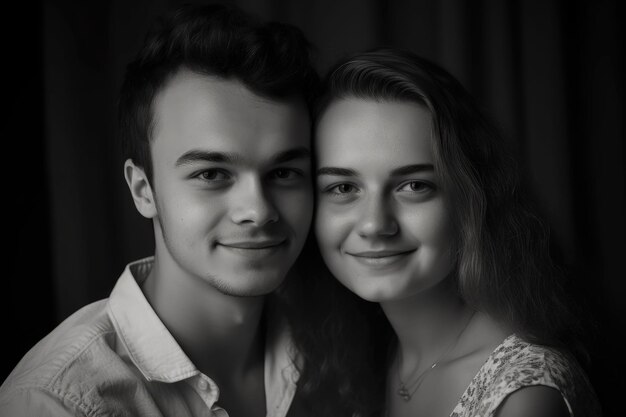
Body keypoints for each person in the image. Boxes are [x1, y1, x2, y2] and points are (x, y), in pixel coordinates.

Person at [0, 4, 321, 416]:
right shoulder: (58, 402)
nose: (258, 211)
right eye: (211, 174)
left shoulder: (340, 345)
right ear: (143, 189)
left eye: (283, 172)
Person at [313, 47, 602, 417]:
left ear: (470, 198)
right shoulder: (354, 359)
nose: (374, 224)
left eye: (414, 186)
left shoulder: (523, 398)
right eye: (343, 188)